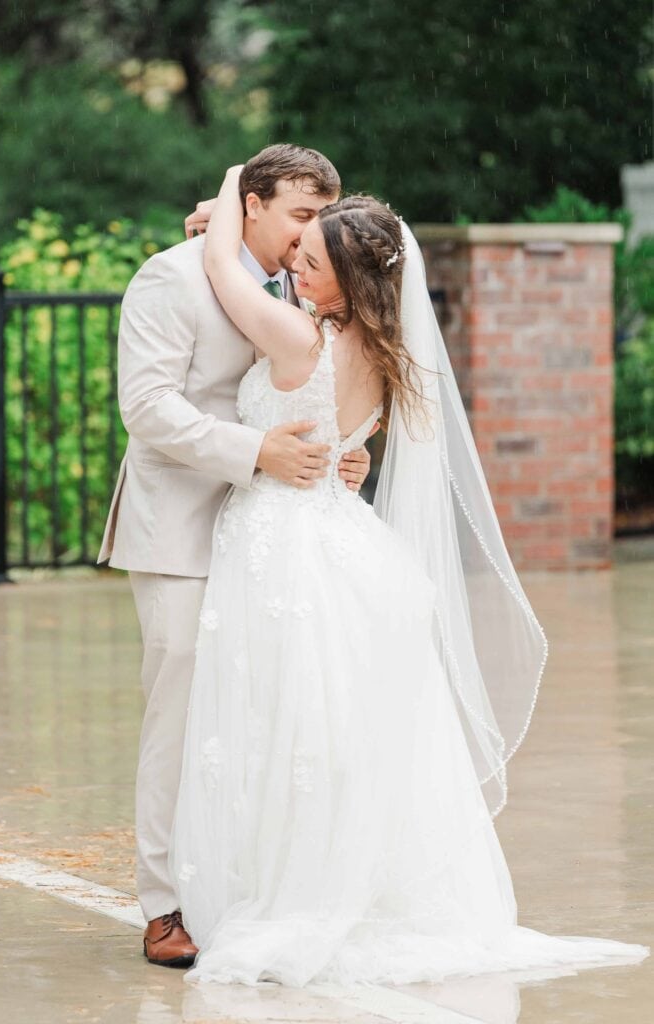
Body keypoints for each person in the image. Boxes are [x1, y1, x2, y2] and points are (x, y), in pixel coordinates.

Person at [169, 167, 649, 986]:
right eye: (297, 253)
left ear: (351, 281)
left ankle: (294, 890)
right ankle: (341, 877)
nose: (293, 267)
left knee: (286, 724)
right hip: (341, 539)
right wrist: (346, 458)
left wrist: (224, 200)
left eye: (312, 261)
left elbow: (221, 272)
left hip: (285, 549)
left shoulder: (297, 337)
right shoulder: (385, 356)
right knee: (331, 732)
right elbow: (351, 442)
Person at [97, 145, 372, 967]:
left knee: (259, 715)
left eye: (316, 218)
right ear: (249, 204)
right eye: (295, 214)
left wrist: (339, 454)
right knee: (180, 713)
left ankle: (239, 886)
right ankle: (164, 904)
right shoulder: (170, 276)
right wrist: (257, 451)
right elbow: (146, 407)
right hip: (183, 525)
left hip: (275, 535)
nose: (306, 234)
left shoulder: (305, 280)